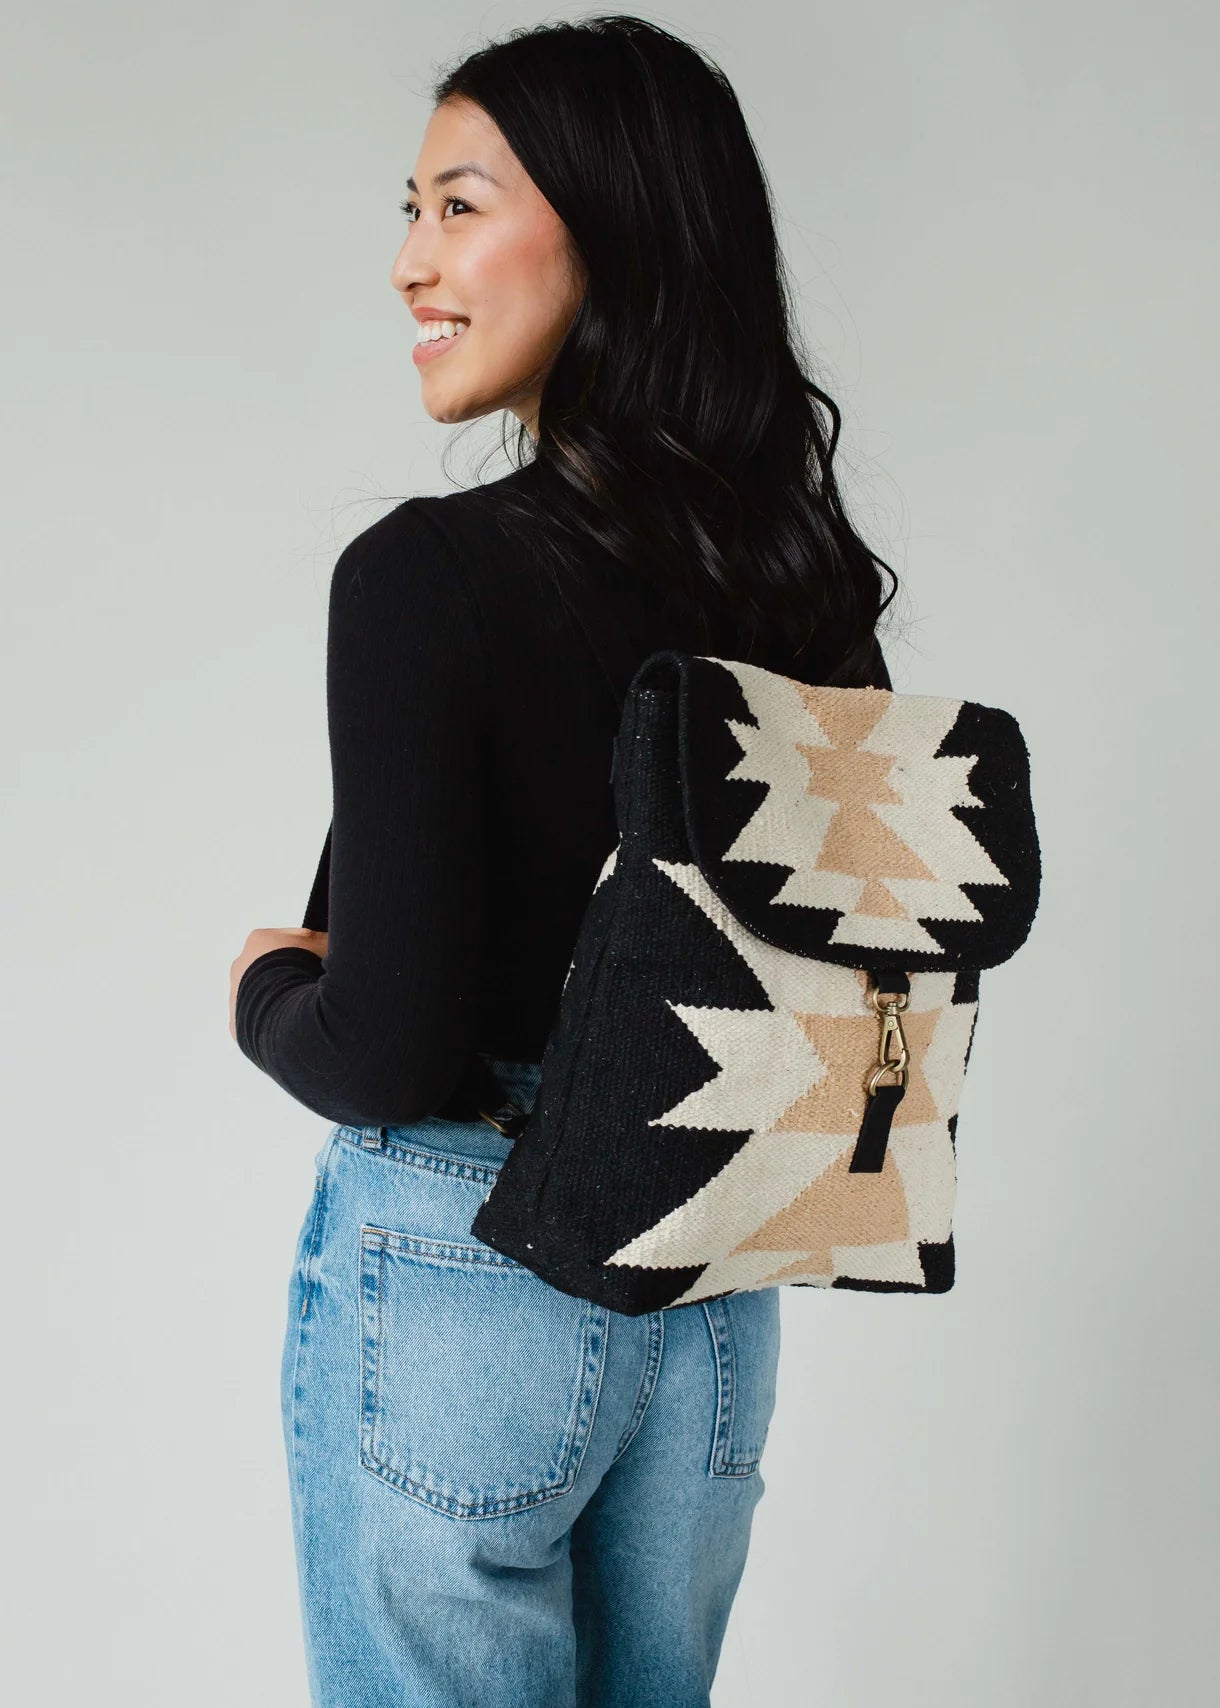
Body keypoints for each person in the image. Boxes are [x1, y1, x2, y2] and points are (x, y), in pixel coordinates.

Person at [229, 16, 898, 1707]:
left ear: (607, 233)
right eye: (411, 211)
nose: (409, 262)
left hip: (469, 1257)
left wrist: (264, 991)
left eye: (458, 207)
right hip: (716, 1276)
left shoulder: (424, 578)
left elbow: (385, 1049)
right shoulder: (805, 594)